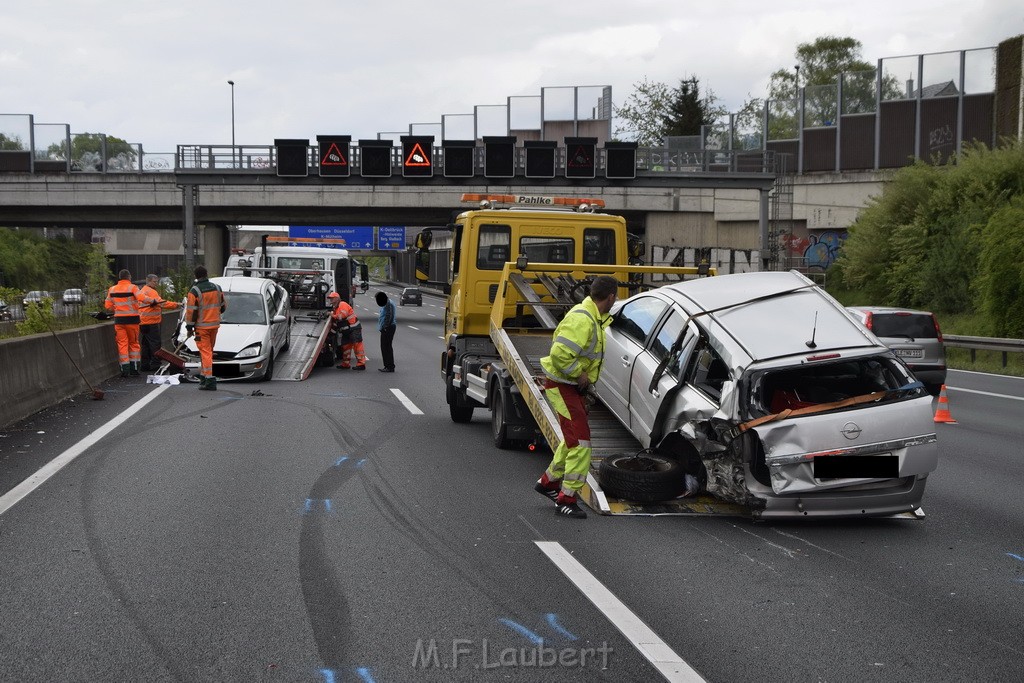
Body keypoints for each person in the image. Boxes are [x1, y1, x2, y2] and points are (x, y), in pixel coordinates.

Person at [534, 275, 618, 519]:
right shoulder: (584, 319)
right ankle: (566, 499)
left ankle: (548, 483)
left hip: (568, 387)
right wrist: (580, 374)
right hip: (564, 385)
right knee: (581, 445)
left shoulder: (591, 317)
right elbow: (559, 354)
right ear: (611, 297)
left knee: (572, 442)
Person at [104, 269, 155, 377]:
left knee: (122, 344)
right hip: (132, 320)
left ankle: (124, 369)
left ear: (119, 277)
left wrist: (118, 309)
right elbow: (142, 298)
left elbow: (107, 306)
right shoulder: (133, 287)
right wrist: (153, 301)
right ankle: (134, 368)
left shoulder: (112, 289)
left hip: (119, 321)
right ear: (129, 277)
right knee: (134, 343)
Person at [185, 265, 226, 391]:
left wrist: (189, 328)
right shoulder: (217, 288)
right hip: (214, 325)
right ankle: (203, 377)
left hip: (202, 327)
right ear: (206, 274)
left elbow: (191, 312)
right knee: (208, 352)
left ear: (196, 276)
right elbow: (223, 306)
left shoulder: (194, 291)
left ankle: (209, 380)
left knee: (206, 353)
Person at [138, 274, 181, 371]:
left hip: (143, 322)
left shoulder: (142, 291)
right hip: (151, 322)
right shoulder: (151, 292)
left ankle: (145, 365)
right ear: (148, 281)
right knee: (155, 344)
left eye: (157, 281)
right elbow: (162, 303)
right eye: (154, 281)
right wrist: (176, 305)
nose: (156, 283)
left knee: (146, 344)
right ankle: (155, 364)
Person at [327, 291, 366, 370]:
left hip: (354, 329)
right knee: (345, 347)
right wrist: (330, 334)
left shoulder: (342, 304)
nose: (330, 300)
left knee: (357, 346)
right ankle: (346, 364)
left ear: (337, 299)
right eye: (330, 298)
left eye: (332, 298)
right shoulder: (335, 308)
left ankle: (361, 364)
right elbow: (336, 324)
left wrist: (332, 315)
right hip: (346, 331)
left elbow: (342, 316)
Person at [375, 291, 397, 372]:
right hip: (387, 327)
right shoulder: (387, 303)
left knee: (386, 347)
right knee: (384, 347)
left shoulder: (389, 304)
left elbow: (389, 315)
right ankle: (387, 366)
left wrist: (385, 326)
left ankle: (390, 366)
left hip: (389, 328)